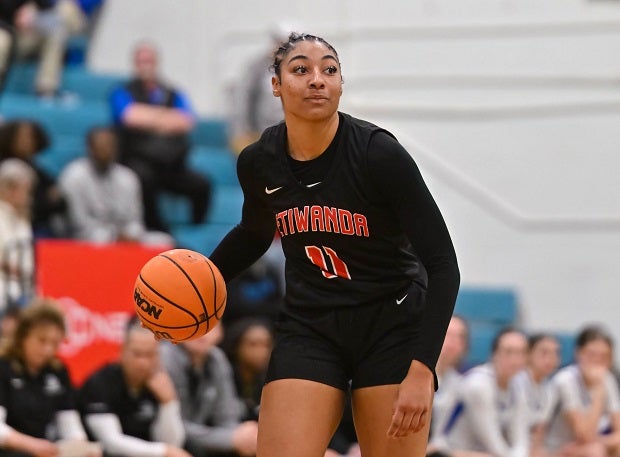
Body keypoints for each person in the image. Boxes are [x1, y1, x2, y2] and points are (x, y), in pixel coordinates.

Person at [205, 32, 460, 457]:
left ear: (341, 84)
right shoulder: (259, 160)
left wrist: (421, 370)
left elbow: (442, 264)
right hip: (312, 323)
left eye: (329, 69)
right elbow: (254, 233)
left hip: (391, 324)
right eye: (301, 69)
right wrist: (204, 279)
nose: (317, 79)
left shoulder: (379, 155)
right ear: (276, 85)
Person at [110, 41, 211, 232]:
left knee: (202, 185)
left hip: (170, 164)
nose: (145, 65)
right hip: (137, 160)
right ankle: (155, 228)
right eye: (141, 61)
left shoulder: (173, 92)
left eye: (149, 60)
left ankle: (197, 233)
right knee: (143, 179)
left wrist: (148, 119)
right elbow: (129, 117)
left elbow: (186, 121)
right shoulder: (122, 91)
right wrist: (165, 119)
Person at [0, 298, 100, 457]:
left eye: (54, 343)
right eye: (41, 340)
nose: (47, 350)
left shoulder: (57, 371)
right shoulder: (4, 366)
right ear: (23, 336)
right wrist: (32, 445)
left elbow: (68, 421)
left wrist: (80, 446)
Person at [78, 317, 191, 457]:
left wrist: (169, 404)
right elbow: (110, 442)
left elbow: (172, 444)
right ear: (122, 352)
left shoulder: (159, 384)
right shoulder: (101, 382)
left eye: (149, 355)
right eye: (137, 354)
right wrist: (161, 452)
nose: (142, 363)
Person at [59, 126, 174, 246]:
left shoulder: (127, 177)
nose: (106, 150)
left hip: (125, 237)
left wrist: (131, 235)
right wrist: (113, 237)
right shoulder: (74, 176)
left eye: (110, 145)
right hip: (88, 238)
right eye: (101, 146)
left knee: (164, 241)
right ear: (90, 148)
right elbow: (78, 223)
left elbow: (135, 220)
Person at [160, 324, 258, 457]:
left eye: (209, 325)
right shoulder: (165, 357)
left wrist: (244, 436)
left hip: (199, 442)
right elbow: (176, 428)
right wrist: (230, 439)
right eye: (193, 325)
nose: (201, 333)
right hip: (165, 443)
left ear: (220, 333)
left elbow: (227, 417)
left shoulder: (217, 359)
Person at [439, 327, 529, 457]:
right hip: (450, 451)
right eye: (509, 352)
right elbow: (493, 444)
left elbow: (521, 438)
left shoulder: (518, 384)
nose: (515, 359)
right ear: (495, 354)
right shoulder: (479, 384)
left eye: (521, 353)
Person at [544, 325, 620, 457]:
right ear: (578, 354)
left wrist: (602, 441)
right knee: (595, 452)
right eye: (592, 355)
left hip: (589, 445)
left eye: (604, 357)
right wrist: (598, 390)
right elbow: (584, 436)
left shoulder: (608, 378)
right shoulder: (565, 381)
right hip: (557, 449)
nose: (597, 361)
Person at [0, 119, 66, 237]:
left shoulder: (37, 171)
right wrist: (44, 202)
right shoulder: (5, 167)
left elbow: (60, 202)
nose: (27, 141)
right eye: (22, 136)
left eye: (32, 137)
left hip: (33, 226)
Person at [511, 333, 560, 457]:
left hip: (527, 446)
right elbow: (516, 430)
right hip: (508, 443)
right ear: (528, 354)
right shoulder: (515, 382)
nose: (551, 358)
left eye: (555, 353)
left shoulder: (550, 388)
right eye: (544, 353)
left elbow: (539, 430)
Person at [427, 315, 469, 454]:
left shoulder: (460, 383)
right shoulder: (416, 374)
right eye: (449, 334)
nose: (453, 342)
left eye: (459, 337)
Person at [220, 317, 274, 422]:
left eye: (266, 345)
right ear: (236, 347)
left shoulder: (270, 380)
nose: (262, 351)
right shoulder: (222, 375)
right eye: (253, 344)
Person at [0, 158, 35, 313]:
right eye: (26, 190)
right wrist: (13, 269)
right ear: (11, 189)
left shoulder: (23, 222)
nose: (29, 197)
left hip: (25, 287)